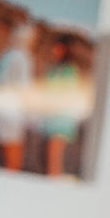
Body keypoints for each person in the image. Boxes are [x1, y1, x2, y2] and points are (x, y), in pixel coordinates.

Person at [0, 20, 36, 172]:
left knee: (2, 160)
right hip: (12, 116)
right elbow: (24, 89)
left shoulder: (6, 55)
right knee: (13, 165)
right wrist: (31, 117)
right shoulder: (23, 57)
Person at [43, 33, 83, 177]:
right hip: (51, 118)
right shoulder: (53, 69)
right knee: (51, 157)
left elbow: (68, 95)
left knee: (53, 158)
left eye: (57, 48)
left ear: (64, 49)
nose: (54, 50)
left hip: (60, 120)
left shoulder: (69, 70)